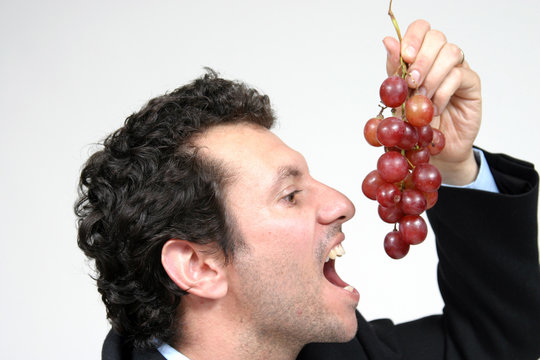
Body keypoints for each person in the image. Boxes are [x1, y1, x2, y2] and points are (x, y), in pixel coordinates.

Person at [75, 20, 540, 360]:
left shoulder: (354, 354)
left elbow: (496, 343)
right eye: (291, 195)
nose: (343, 204)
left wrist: (452, 163)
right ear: (198, 265)